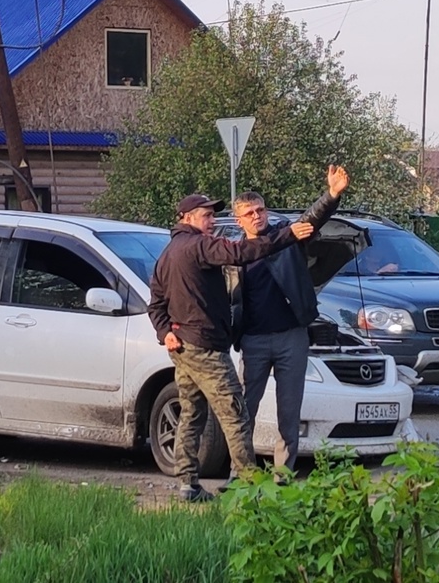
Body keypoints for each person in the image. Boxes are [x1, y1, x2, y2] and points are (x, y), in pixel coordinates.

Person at [149, 194, 315, 502]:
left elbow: (155, 302)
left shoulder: (168, 253)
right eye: (206, 216)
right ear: (187, 218)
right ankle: (248, 487)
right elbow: (242, 252)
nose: (212, 221)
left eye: (213, 216)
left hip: (182, 347)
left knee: (192, 413)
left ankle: (188, 484)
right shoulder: (199, 246)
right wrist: (288, 234)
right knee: (236, 415)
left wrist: (164, 332)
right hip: (207, 347)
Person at [229, 165, 349, 479]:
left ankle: (283, 477)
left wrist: (332, 194)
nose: (257, 216)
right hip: (253, 341)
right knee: (244, 411)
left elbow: (311, 219)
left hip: (291, 338)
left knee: (289, 412)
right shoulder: (235, 252)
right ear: (239, 221)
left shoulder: (287, 236)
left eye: (260, 209)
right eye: (249, 213)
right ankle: (240, 474)